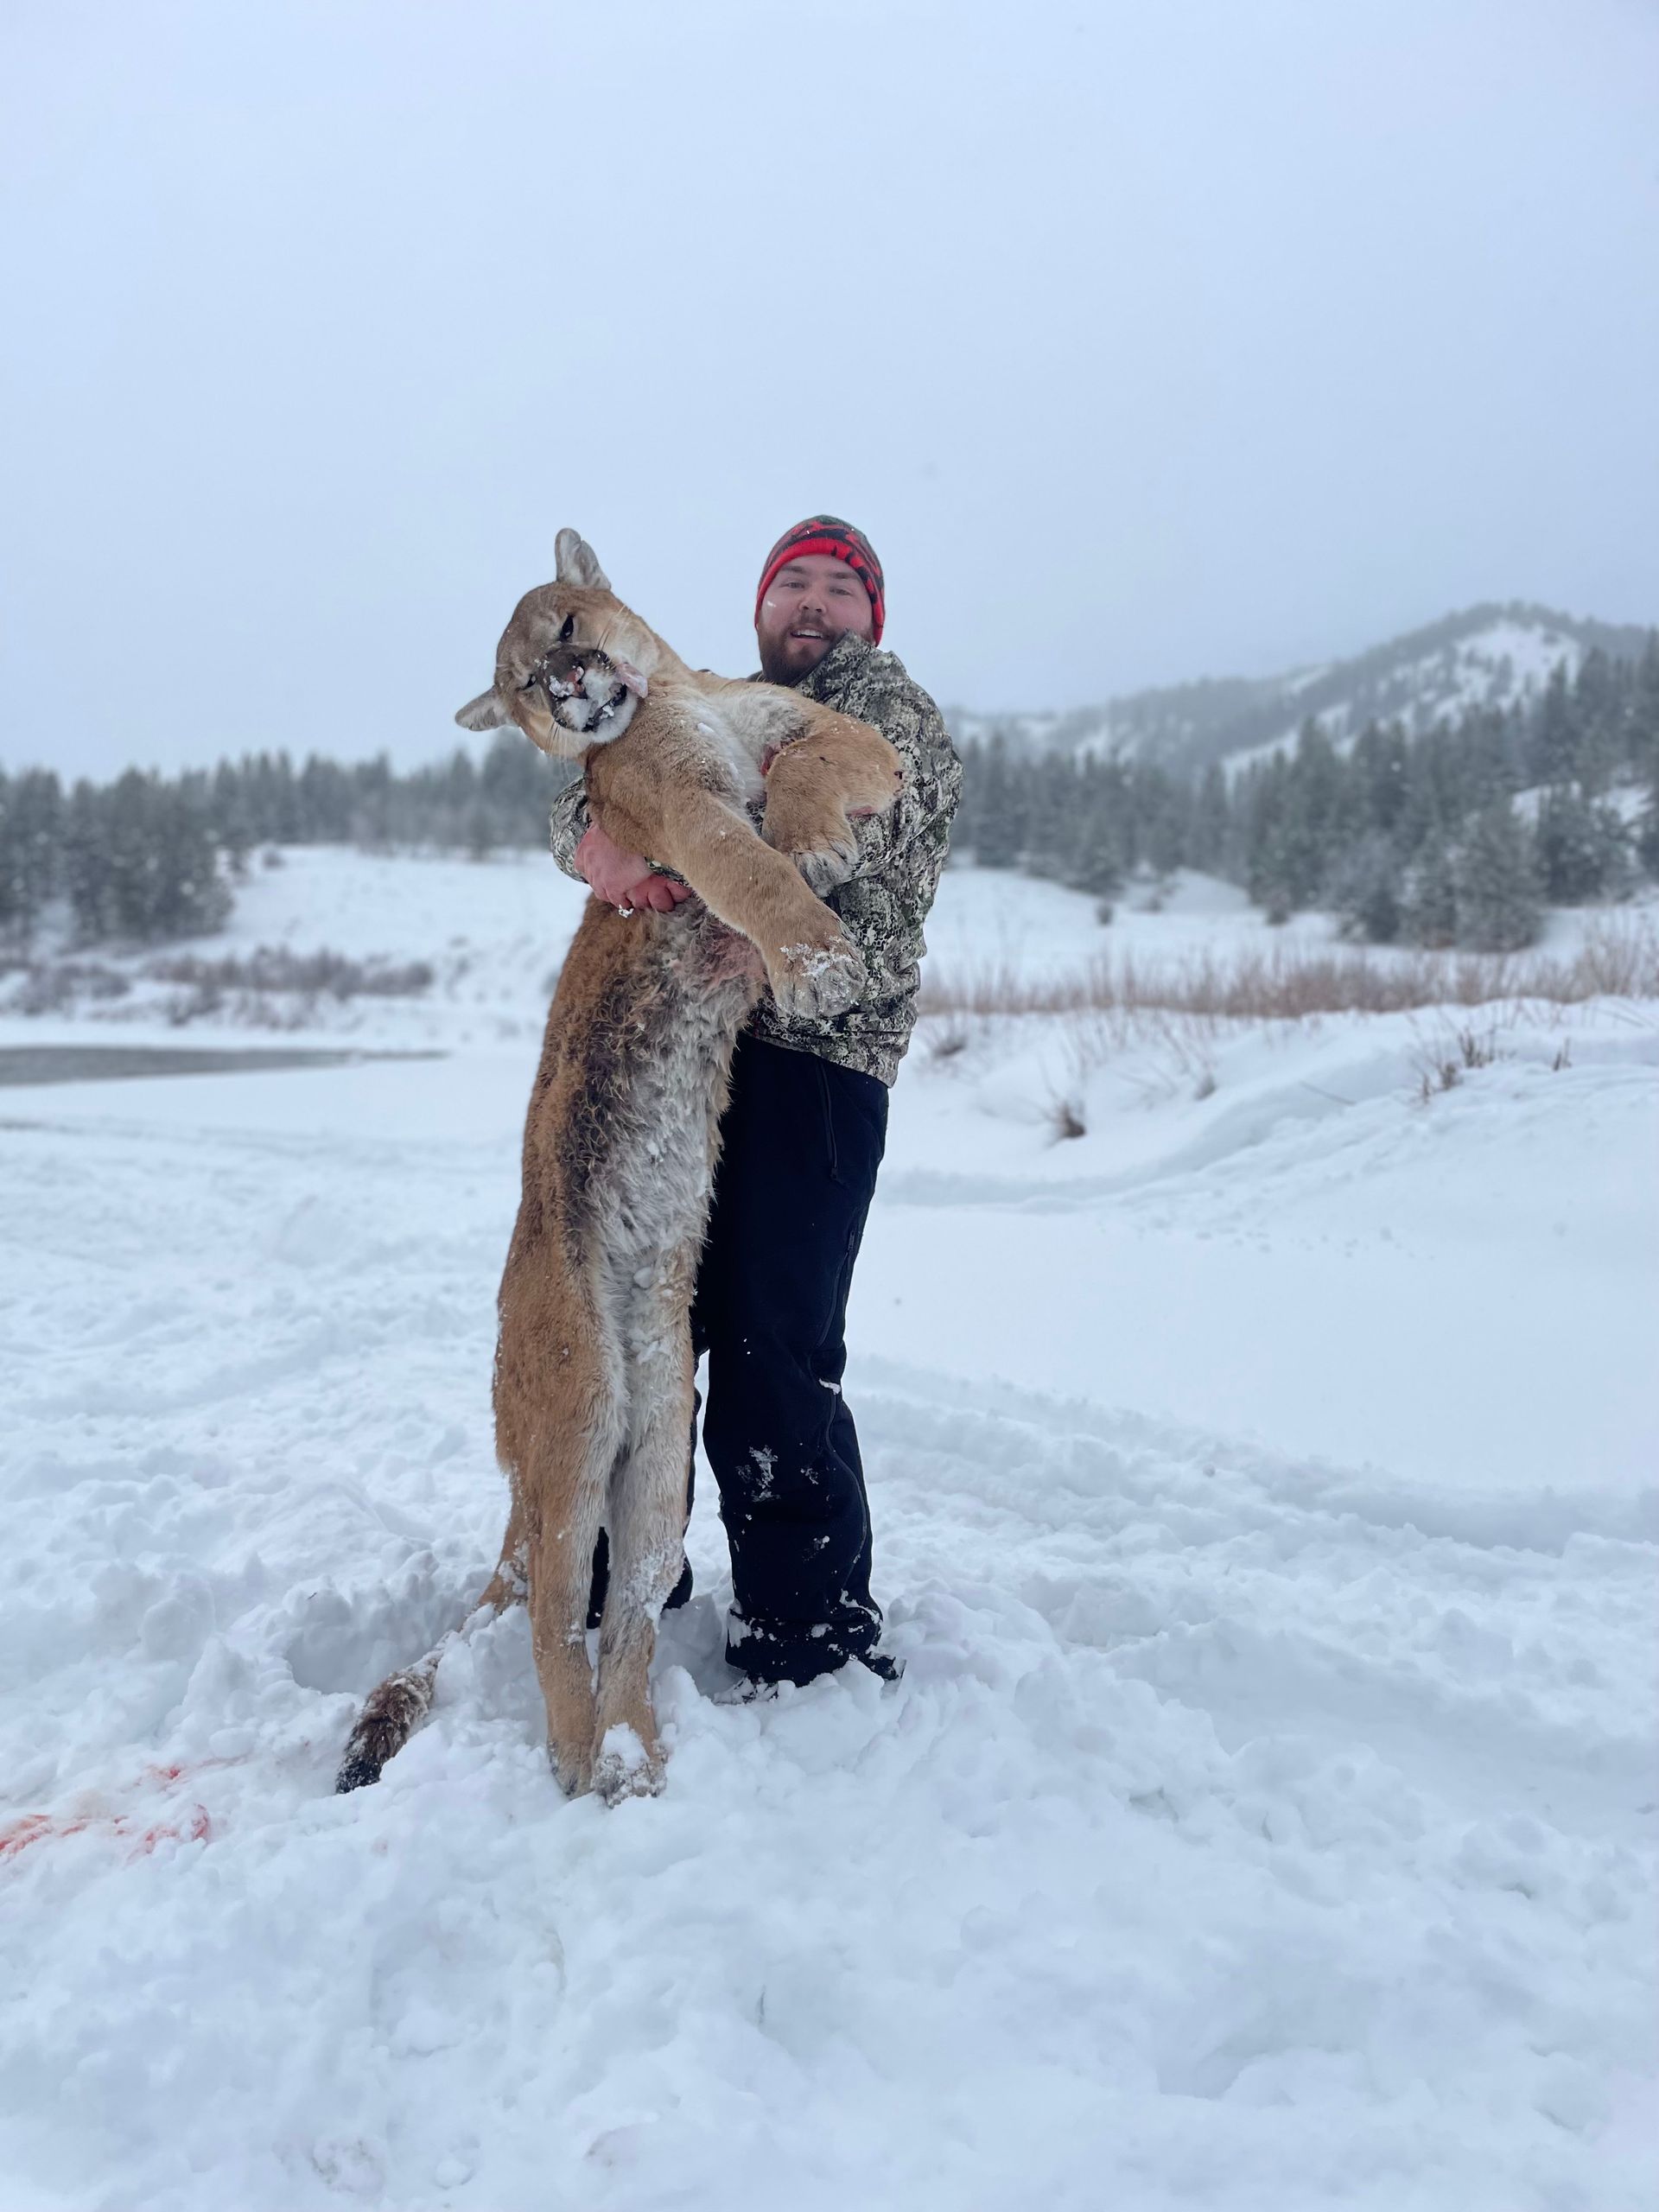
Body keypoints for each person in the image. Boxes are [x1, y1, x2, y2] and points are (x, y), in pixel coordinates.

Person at [547, 517, 962, 1691]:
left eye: (841, 587)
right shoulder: (710, 699)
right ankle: (624, 1565)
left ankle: (809, 1621)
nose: (815, 603)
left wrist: (771, 947)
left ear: (872, 615)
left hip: (813, 1066)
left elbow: (877, 915)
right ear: (761, 606)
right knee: (645, 1316)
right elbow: (603, 777)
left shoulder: (889, 718)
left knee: (772, 1344)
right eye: (795, 584)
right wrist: (591, 845)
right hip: (682, 1064)